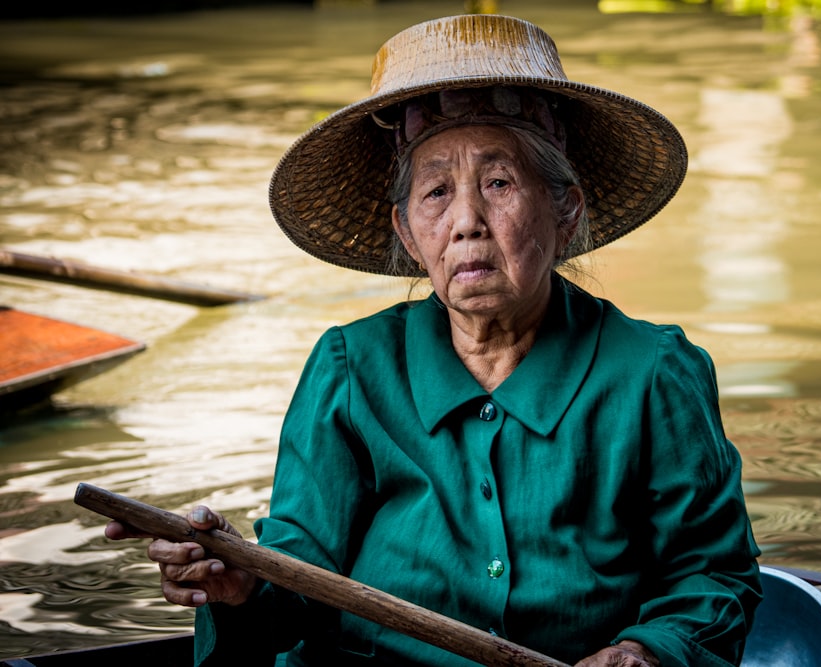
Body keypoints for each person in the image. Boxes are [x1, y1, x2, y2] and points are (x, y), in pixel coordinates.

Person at [107, 14, 762, 667]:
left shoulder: (652, 371)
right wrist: (242, 582)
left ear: (565, 211)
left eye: (499, 183)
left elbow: (713, 576)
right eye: (437, 191)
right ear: (409, 232)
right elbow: (297, 576)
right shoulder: (350, 368)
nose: (467, 222)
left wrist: (645, 651)